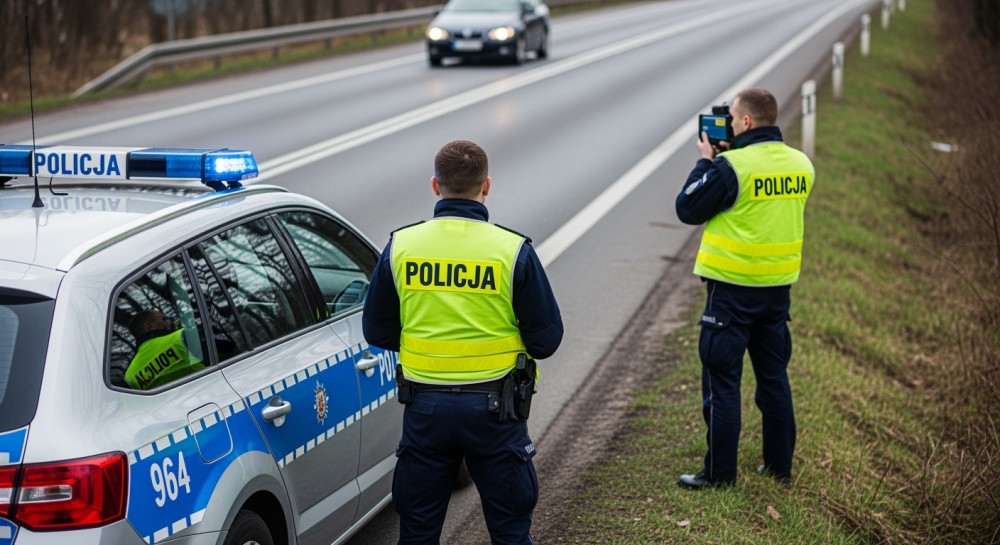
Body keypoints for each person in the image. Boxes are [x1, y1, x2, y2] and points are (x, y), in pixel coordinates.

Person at [363, 140, 563, 544]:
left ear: (435, 186)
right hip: (497, 412)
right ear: (486, 187)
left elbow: (377, 330)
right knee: (510, 532)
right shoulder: (511, 251)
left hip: (425, 412)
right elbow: (546, 340)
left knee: (417, 532)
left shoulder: (401, 247)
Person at [674, 88, 815, 489]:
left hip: (731, 294)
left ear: (747, 122)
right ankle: (778, 468)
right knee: (773, 380)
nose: (729, 125)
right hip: (776, 292)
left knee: (722, 384)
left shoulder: (731, 167)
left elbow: (687, 208)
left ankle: (719, 476)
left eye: (732, 119)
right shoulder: (801, 164)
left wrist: (706, 162)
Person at [125, 308, 205, 390]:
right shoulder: (179, 338)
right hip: (202, 391)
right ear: (149, 326)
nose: (169, 322)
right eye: (164, 319)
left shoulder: (129, 375)